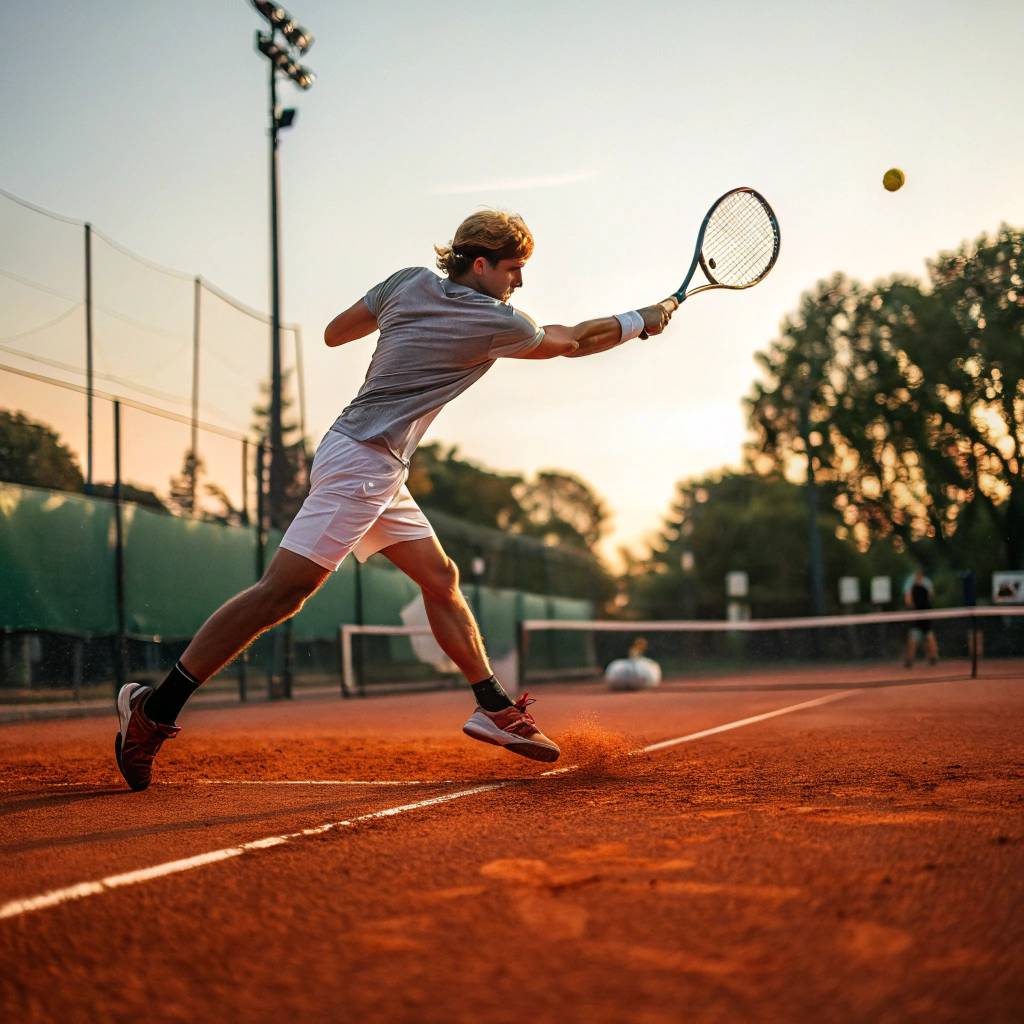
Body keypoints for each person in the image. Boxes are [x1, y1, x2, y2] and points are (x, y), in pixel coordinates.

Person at [113, 210, 678, 791]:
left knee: (441, 579)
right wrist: (643, 319)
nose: (519, 282)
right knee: (281, 593)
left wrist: (400, 326)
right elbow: (574, 341)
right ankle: (154, 712)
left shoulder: (406, 282)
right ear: (480, 265)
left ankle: (494, 706)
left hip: (370, 457)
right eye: (514, 270)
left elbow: (336, 332)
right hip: (362, 460)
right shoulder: (495, 321)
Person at [903, 570, 938, 667]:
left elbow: (931, 595)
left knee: (930, 639)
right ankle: (908, 660)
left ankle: (933, 658)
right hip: (917, 620)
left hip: (926, 619)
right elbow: (908, 601)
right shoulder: (911, 588)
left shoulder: (926, 586)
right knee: (912, 641)